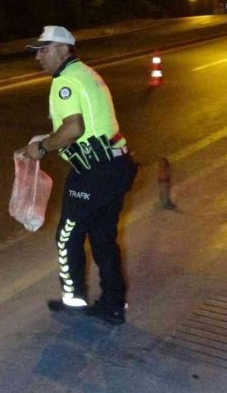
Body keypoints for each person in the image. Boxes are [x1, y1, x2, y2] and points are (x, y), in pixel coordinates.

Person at [17, 25, 137, 325]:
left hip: (93, 173)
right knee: (103, 238)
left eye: (44, 50)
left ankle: (74, 301)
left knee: (67, 236)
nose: (38, 57)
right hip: (116, 166)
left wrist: (41, 148)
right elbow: (91, 125)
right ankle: (113, 306)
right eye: (37, 51)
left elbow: (73, 128)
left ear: (62, 49)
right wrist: (48, 138)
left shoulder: (65, 81)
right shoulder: (87, 74)